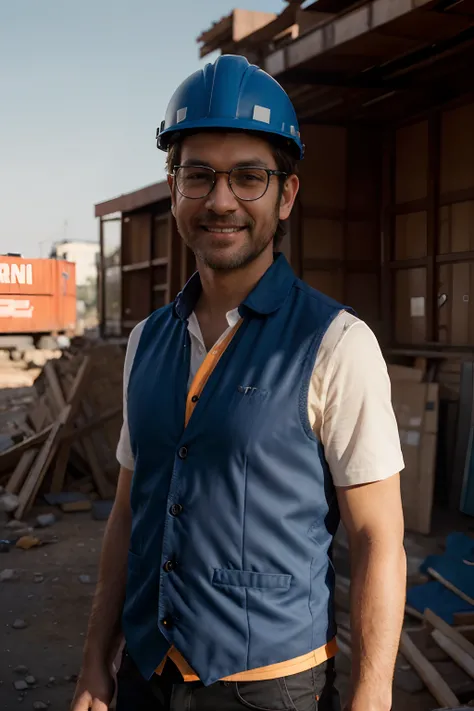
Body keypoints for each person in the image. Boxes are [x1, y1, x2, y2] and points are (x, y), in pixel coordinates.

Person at [71, 54, 406, 711]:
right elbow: (127, 513)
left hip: (271, 687)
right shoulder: (147, 342)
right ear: (174, 189)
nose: (220, 200)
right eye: (199, 176)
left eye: (247, 177)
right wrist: (92, 661)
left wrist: (372, 696)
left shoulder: (337, 345)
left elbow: (378, 539)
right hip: (145, 672)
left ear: (285, 195)